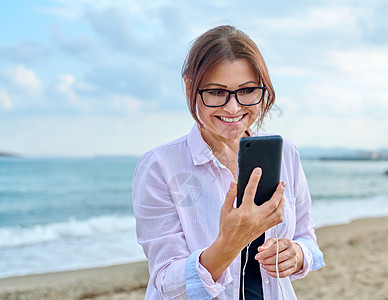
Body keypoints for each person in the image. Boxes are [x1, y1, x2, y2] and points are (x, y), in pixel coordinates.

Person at [132, 25, 324, 300]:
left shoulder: (286, 153)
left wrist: (297, 255)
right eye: (217, 92)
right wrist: (229, 242)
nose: (233, 108)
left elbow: (307, 238)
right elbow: (168, 284)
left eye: (246, 91)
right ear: (190, 87)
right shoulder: (160, 166)